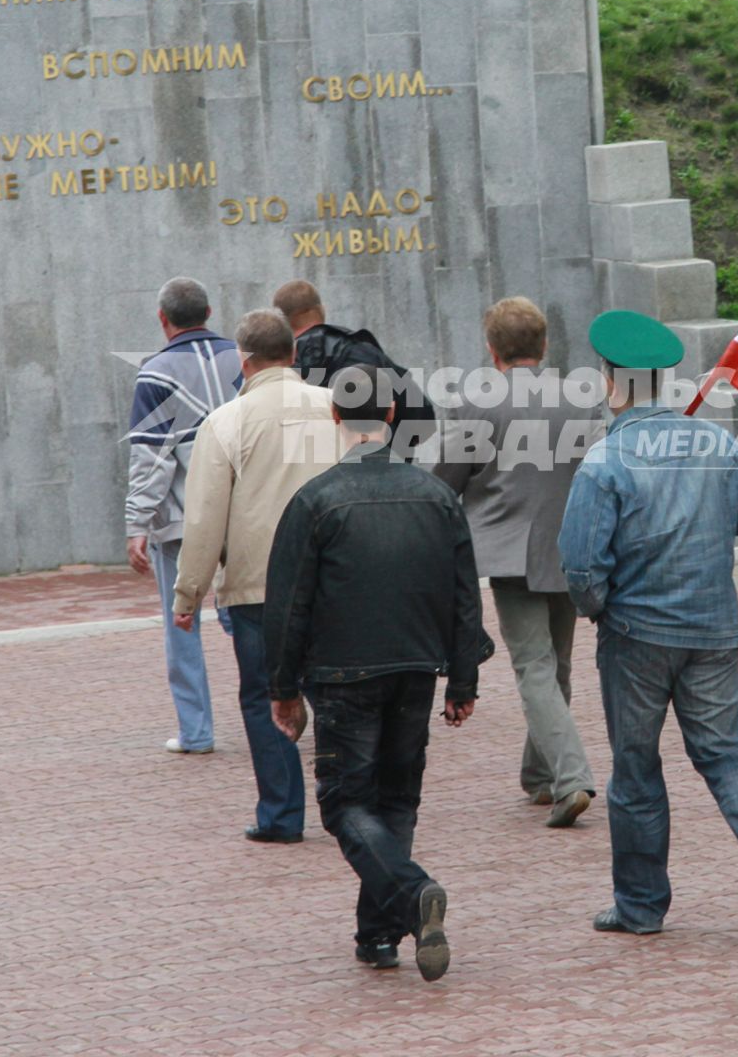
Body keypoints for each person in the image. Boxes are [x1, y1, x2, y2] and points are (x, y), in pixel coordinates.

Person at [558, 310, 738, 946]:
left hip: (636, 635)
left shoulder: (604, 460)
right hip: (713, 628)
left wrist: (601, 612)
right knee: (728, 754)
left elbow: (583, 570)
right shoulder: (720, 446)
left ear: (611, 382)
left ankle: (641, 906)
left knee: (637, 768)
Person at [264, 364, 492, 982]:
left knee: (345, 803)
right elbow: (464, 596)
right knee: (397, 800)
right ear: (392, 415)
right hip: (417, 667)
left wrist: (282, 691)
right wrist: (463, 680)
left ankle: (412, 897)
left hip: (341, 676)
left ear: (336, 417)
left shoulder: (314, 501)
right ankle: (379, 934)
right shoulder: (436, 496)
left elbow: (289, 606)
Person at [432, 296, 603, 828]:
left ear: (492, 351)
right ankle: (540, 775)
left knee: (534, 667)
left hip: (509, 550)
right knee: (557, 665)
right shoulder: (580, 398)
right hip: (571, 545)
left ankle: (570, 777)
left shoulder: (476, 402)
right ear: (544, 344)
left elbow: (447, 483)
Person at [173, 309, 340, 843]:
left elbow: (203, 519)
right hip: (334, 578)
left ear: (243, 362)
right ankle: (349, 805)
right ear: (294, 355)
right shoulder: (335, 407)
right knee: (336, 694)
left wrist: (188, 592)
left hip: (257, 585)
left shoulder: (226, 422)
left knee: (263, 694)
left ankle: (281, 814)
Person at [125, 277, 243, 755]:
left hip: (182, 518)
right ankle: (281, 711)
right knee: (252, 615)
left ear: (162, 318)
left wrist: (137, 522)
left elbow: (151, 457)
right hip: (245, 513)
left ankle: (196, 732)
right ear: (209, 311)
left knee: (183, 623)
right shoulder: (243, 358)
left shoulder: (156, 373)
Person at [272, 279, 435, 445]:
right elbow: (422, 421)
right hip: (377, 463)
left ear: (282, 322)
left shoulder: (277, 368)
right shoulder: (363, 350)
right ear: (322, 310)